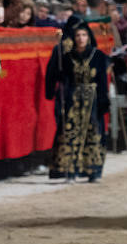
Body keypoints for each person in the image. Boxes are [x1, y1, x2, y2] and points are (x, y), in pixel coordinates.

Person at [44, 18, 110, 182]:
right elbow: (60, 76)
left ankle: (93, 171)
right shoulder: (66, 57)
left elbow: (102, 81)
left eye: (84, 35)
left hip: (92, 100)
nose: (81, 38)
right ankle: (70, 170)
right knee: (71, 132)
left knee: (93, 132)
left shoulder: (98, 56)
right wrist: (59, 80)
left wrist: (104, 101)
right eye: (78, 35)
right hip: (73, 99)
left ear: (88, 37)